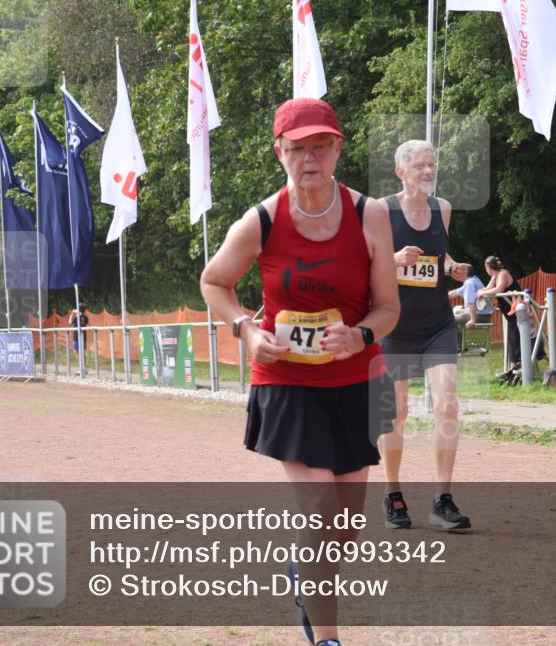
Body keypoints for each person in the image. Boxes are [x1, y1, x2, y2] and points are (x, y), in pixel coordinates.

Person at [200, 97, 398, 646]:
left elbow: (388, 308)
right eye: (297, 148)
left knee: (346, 529)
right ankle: (328, 639)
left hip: (354, 382)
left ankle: (303, 578)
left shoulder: (370, 214)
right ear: (279, 152)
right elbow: (213, 281)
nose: (309, 158)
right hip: (287, 384)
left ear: (338, 149)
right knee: (318, 509)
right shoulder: (262, 220)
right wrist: (246, 328)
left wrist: (358, 335)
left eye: (320, 146)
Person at [378, 139, 472, 532]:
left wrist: (451, 267)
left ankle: (442, 499)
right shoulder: (381, 211)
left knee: (447, 405)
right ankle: (393, 494)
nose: (429, 172)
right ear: (402, 172)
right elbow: (364, 260)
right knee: (396, 413)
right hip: (395, 326)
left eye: (432, 165)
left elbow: (439, 253)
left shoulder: (443, 209)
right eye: (420, 166)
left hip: (436, 324)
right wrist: (392, 260)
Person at [477, 255, 522, 369]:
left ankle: (514, 366)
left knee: (514, 337)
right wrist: (481, 291)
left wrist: (482, 293)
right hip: (510, 313)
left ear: (489, 267)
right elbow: (488, 288)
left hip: (517, 311)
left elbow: (499, 289)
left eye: (485, 267)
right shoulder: (495, 276)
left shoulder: (503, 274)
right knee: (512, 337)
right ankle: (514, 365)